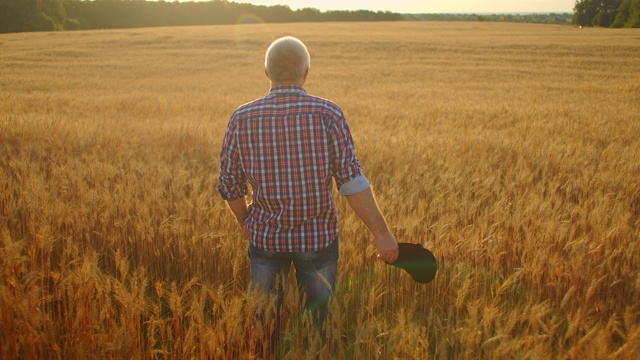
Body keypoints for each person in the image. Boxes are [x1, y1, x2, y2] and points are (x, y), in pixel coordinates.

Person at [216, 36, 399, 352]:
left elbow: (230, 183)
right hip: (317, 240)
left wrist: (245, 221)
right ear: (306, 72)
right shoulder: (328, 113)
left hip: (265, 239)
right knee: (321, 325)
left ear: (266, 72)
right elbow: (351, 181)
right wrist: (381, 234)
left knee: (263, 326)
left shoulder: (241, 117)